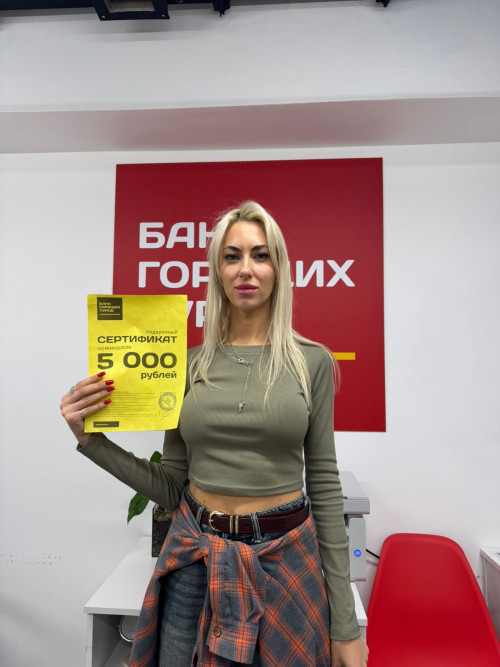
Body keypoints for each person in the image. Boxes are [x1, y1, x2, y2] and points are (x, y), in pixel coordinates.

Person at [60, 201, 368, 667]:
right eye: (232, 256)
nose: (246, 269)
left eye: (260, 255)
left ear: (279, 268)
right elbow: (171, 485)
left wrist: (345, 625)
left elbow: (324, 485)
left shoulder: (313, 362)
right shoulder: (189, 365)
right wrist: (91, 441)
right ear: (217, 271)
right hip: (196, 558)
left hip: (285, 560)